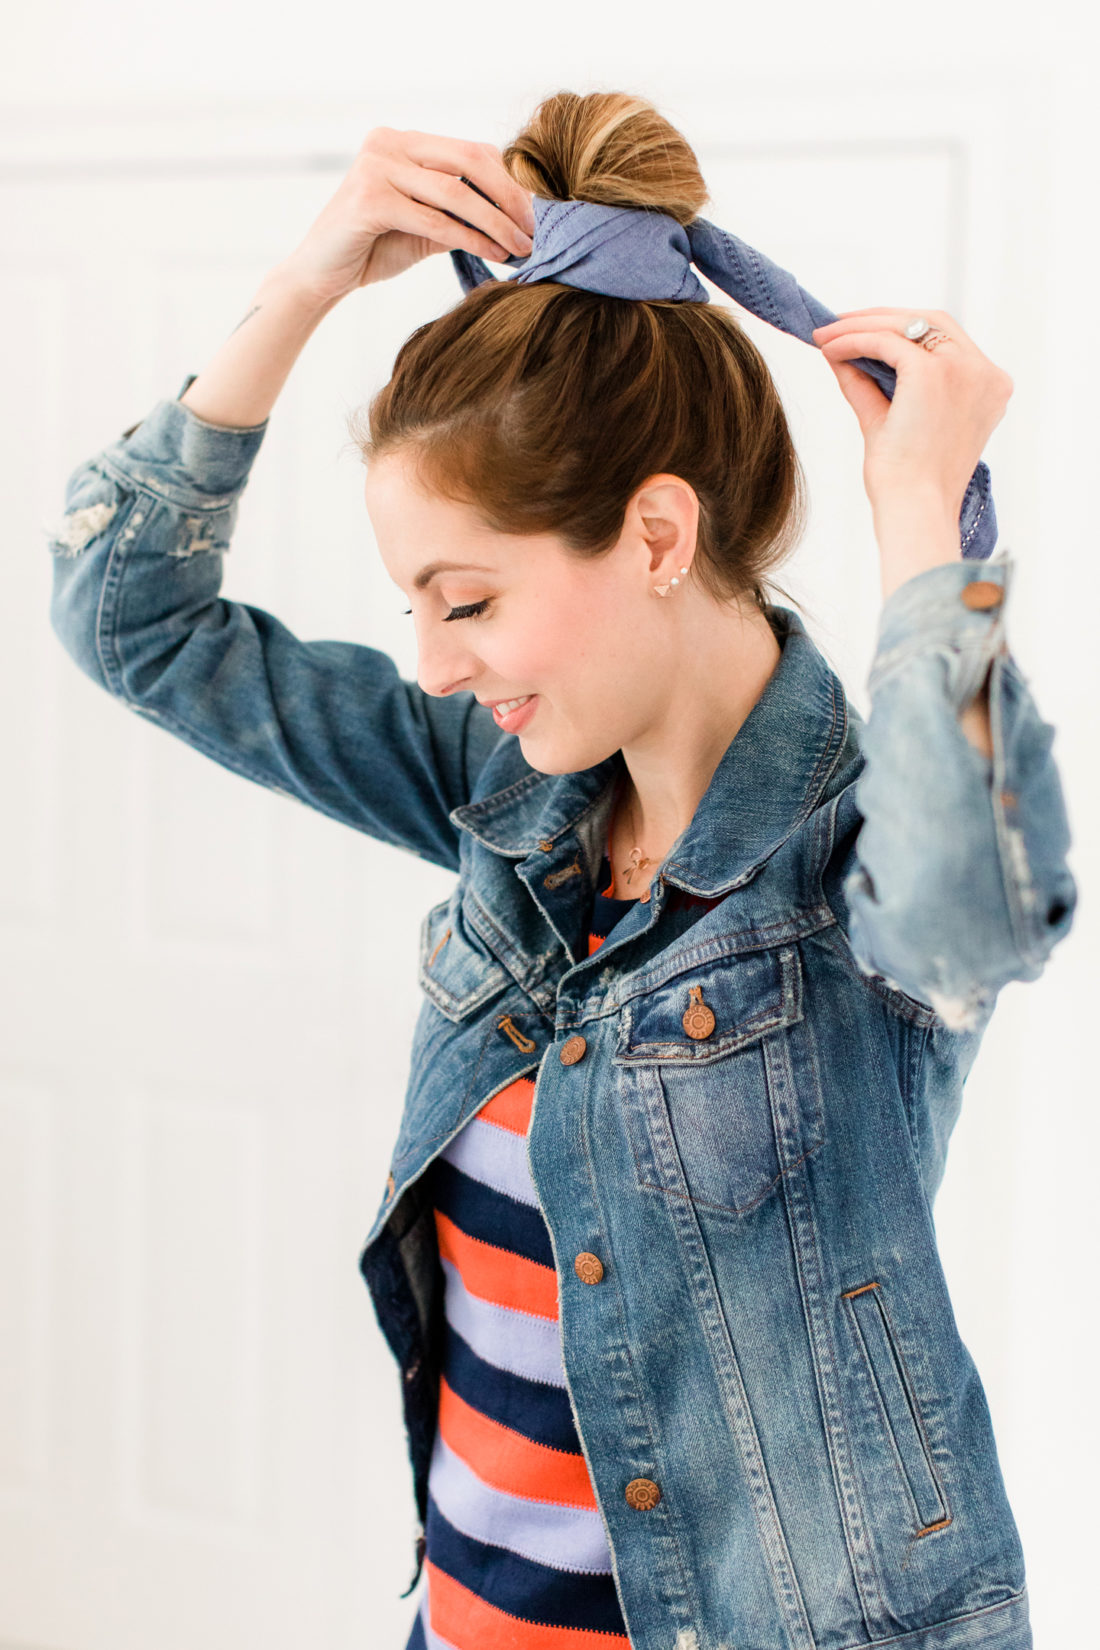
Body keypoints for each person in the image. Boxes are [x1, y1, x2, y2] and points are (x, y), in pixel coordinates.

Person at [47, 91, 1075, 1650]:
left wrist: (922, 518)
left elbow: (975, 904)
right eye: (416, 608)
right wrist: (312, 278)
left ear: (658, 532)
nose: (439, 669)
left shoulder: (852, 863)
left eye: (466, 600)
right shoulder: (512, 803)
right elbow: (133, 620)